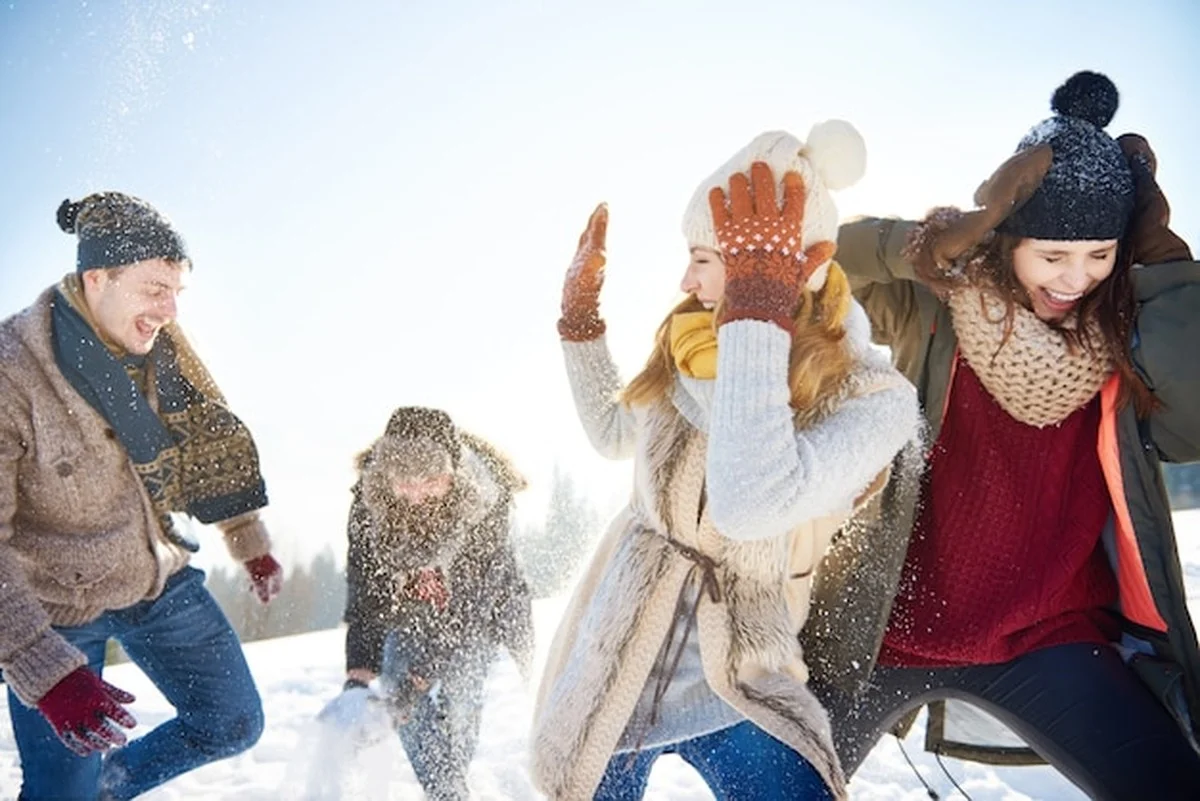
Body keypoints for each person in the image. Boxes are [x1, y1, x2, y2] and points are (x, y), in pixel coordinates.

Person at [805, 71, 1200, 800]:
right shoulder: (935, 302)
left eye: (1101, 255)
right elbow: (814, 267)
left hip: (1047, 634)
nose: (1076, 278)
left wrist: (1165, 265)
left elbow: (1194, 421)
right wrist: (919, 245)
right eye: (1053, 254)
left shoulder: (1122, 337)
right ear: (1008, 236)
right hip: (879, 631)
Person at [529, 124, 921, 801]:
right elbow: (613, 432)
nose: (685, 279)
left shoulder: (871, 399)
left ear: (796, 265)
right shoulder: (688, 345)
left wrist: (755, 321)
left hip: (739, 669)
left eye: (707, 258)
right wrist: (580, 326)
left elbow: (750, 502)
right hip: (621, 652)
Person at [0, 191, 284, 800]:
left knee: (233, 721)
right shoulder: (11, 373)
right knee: (59, 794)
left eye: (177, 291)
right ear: (97, 277)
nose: (170, 308)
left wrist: (249, 542)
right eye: (156, 288)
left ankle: (107, 789)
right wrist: (45, 671)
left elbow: (210, 443)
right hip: (55, 606)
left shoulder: (162, 352)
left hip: (151, 576)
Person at [337, 406, 533, 801]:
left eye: (429, 480)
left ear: (452, 472)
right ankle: (448, 792)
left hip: (481, 609)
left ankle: (449, 789)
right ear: (386, 473)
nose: (416, 493)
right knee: (395, 687)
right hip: (410, 610)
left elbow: (473, 604)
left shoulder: (485, 498)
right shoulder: (369, 503)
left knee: (461, 695)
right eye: (403, 481)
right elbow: (367, 590)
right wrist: (358, 674)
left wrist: (420, 679)